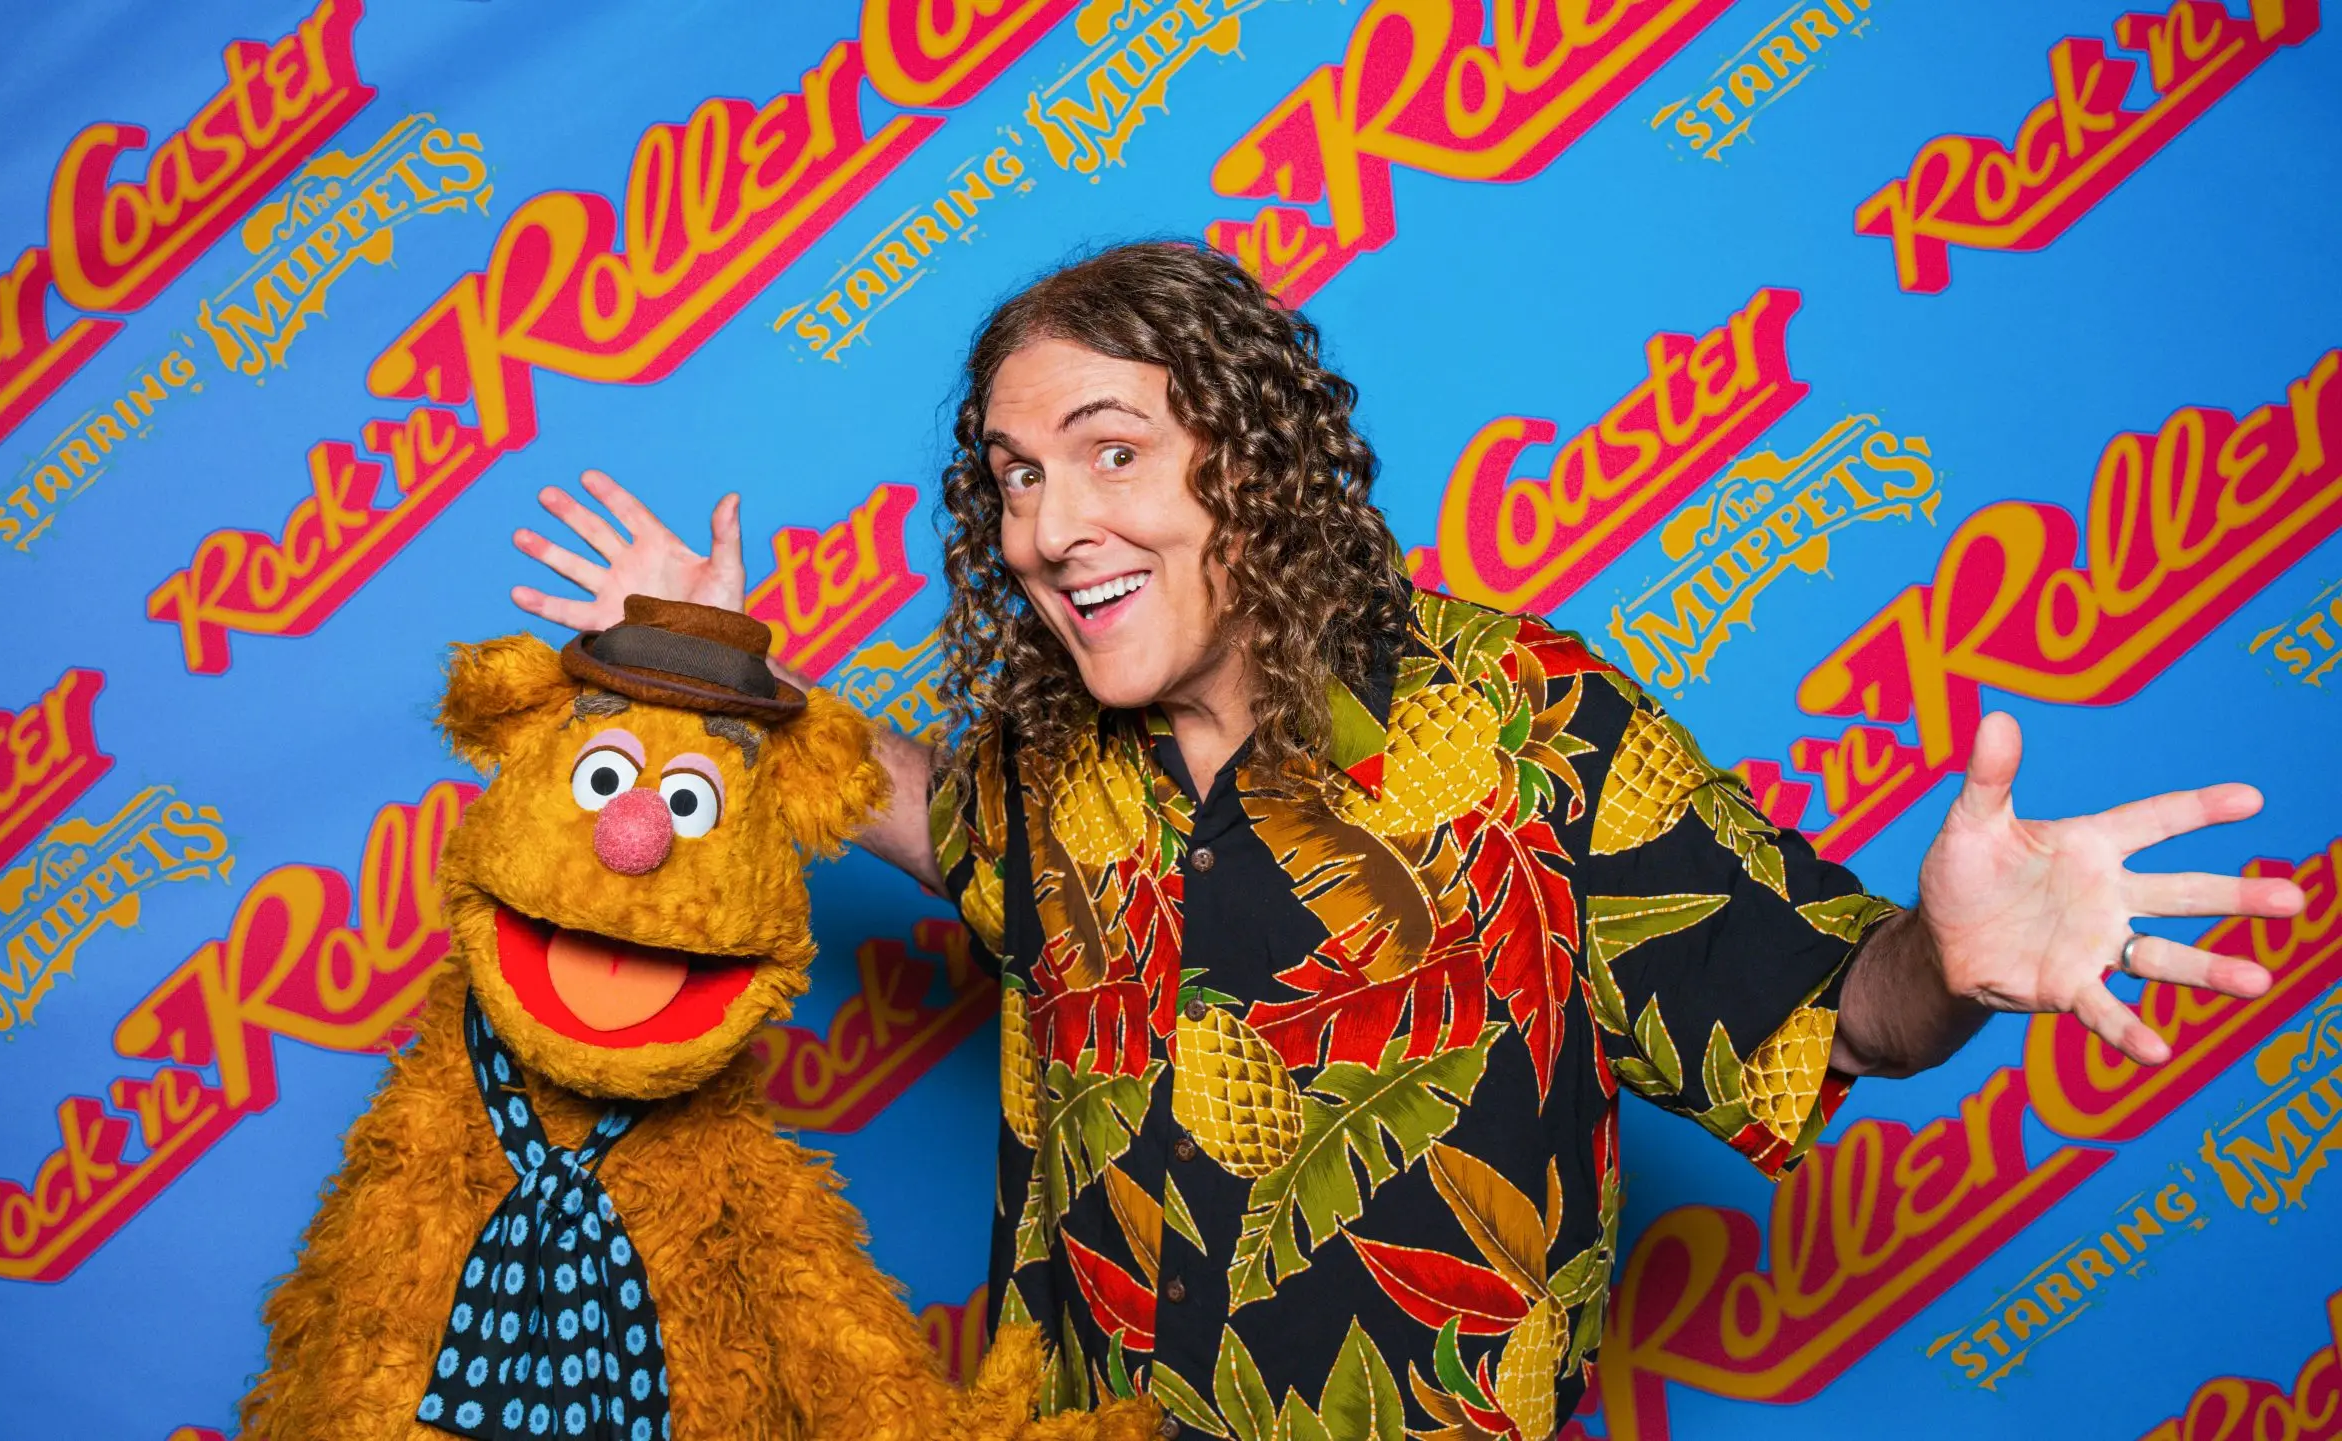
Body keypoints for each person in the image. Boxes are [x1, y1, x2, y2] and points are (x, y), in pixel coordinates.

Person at [506, 242, 2303, 1439]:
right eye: (1014, 475)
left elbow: (1833, 1005)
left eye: (1108, 452)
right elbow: (913, 807)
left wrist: (1954, 963)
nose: (1052, 523)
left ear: (1249, 463)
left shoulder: (1519, 724)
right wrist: (727, 684)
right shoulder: (1056, 768)